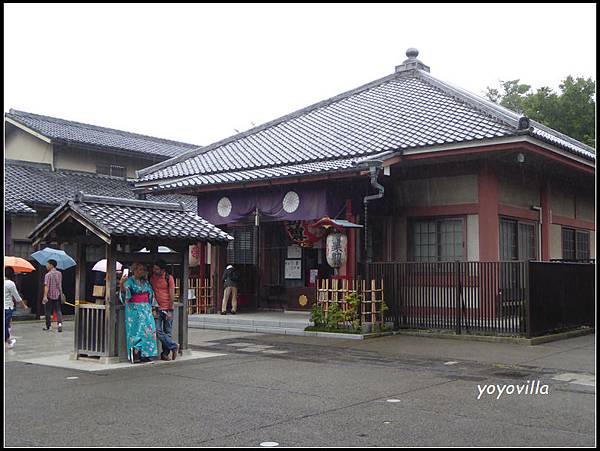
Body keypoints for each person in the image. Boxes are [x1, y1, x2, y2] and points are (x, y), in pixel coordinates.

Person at [119, 262, 158, 363]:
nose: (141, 272)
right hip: (134, 309)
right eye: (139, 269)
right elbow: (125, 294)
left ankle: (147, 354)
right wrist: (121, 284)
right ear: (134, 270)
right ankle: (136, 354)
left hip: (146, 309)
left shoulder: (145, 282)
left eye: (143, 270)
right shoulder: (129, 281)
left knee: (150, 330)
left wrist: (153, 308)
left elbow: (151, 295)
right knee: (136, 332)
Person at [150, 260, 179, 361]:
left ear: (162, 270)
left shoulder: (169, 278)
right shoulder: (152, 277)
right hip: (157, 307)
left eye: (157, 269)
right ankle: (173, 346)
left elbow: (172, 294)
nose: (154, 270)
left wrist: (170, 309)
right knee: (158, 330)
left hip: (167, 307)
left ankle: (165, 354)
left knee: (168, 331)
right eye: (154, 268)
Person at [5, 267, 28, 348]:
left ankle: (8, 340)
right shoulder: (10, 284)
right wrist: (24, 305)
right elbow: (17, 297)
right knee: (6, 325)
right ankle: (9, 342)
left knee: (6, 325)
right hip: (7, 307)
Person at [42, 259, 64, 332]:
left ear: (51, 265)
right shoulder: (59, 273)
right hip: (57, 295)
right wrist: (61, 293)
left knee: (48, 311)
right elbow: (60, 284)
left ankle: (49, 327)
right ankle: (60, 324)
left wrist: (45, 296)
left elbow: (46, 286)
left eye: (47, 264)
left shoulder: (48, 275)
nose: (46, 266)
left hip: (49, 296)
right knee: (58, 310)